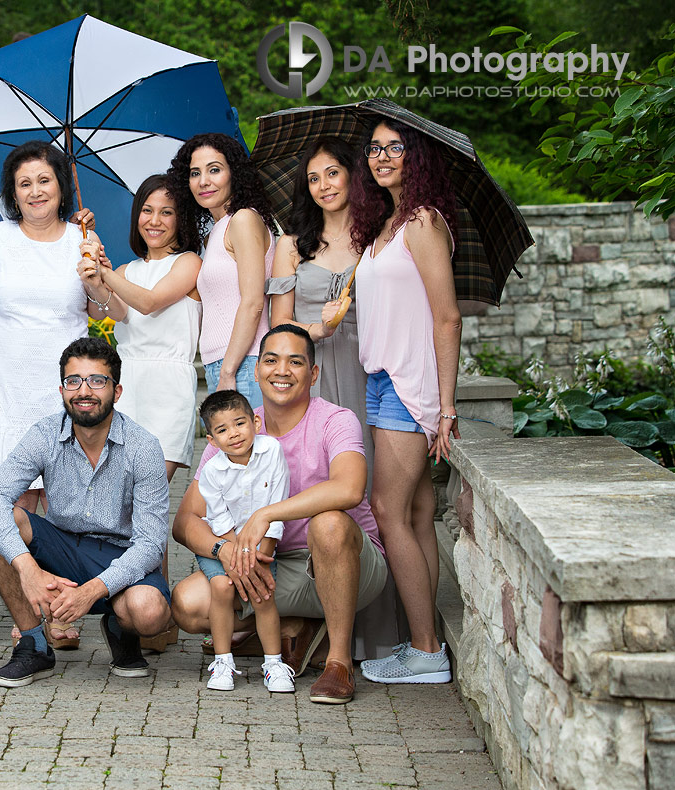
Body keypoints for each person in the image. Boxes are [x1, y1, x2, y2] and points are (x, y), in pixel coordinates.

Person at [171, 325, 387, 704]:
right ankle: (291, 628)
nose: (281, 371)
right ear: (257, 371)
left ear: (313, 373)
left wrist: (266, 514)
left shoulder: (335, 420)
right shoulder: (234, 427)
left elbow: (349, 489)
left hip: (344, 562)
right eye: (270, 360)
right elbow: (186, 521)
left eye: (295, 361)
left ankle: (338, 662)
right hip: (270, 566)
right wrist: (224, 549)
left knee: (330, 523)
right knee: (188, 606)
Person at [269, 136, 405, 662]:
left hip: (367, 372)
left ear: (353, 176)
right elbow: (280, 327)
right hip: (311, 376)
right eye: (313, 178)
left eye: (332, 174)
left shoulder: (378, 239)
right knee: (310, 487)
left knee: (364, 492)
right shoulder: (293, 244)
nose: (323, 186)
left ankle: (371, 636)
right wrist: (316, 328)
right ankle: (301, 620)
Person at [0, 338, 172, 688]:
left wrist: (92, 591)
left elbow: (151, 544)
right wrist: (28, 569)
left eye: (97, 380)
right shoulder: (45, 434)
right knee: (0, 522)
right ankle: (34, 644)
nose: (85, 391)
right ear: (62, 389)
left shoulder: (144, 447)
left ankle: (120, 626)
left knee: (149, 612)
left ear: (117, 389)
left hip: (122, 554)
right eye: (74, 381)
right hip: (63, 549)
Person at [350, 118, 462, 685]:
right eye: (374, 148)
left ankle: (424, 652)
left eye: (394, 147)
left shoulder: (422, 222)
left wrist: (444, 407)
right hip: (382, 379)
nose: (382, 156)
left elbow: (447, 316)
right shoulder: (386, 224)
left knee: (389, 511)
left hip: (408, 384)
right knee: (416, 514)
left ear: (416, 155)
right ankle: (429, 644)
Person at [76, 173, 202, 652]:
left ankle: (158, 610)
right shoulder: (126, 270)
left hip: (168, 386)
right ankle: (153, 612)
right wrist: (95, 270)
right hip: (130, 390)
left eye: (166, 212)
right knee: (131, 509)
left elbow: (149, 304)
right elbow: (110, 313)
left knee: (148, 499)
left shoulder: (189, 263)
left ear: (179, 220)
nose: (155, 220)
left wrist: (105, 271)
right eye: (147, 210)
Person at [0, 140, 108, 512]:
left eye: (44, 180)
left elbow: (102, 312)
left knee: (66, 513)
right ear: (13, 194)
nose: (36, 191)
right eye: (25, 184)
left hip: (64, 393)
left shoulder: (83, 241)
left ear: (61, 187)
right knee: (11, 512)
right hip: (9, 393)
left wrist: (96, 279)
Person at [193, 390, 293, 693]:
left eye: (239, 424)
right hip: (225, 545)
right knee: (221, 588)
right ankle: (223, 662)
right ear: (212, 440)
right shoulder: (212, 472)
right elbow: (219, 520)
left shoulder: (272, 451)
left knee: (262, 594)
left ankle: (273, 664)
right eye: (222, 430)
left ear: (256, 422)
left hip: (263, 547)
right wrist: (239, 556)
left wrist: (258, 556)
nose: (233, 434)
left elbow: (278, 504)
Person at [167, 132, 276, 410]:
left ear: (234, 174)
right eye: (195, 173)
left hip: (245, 364)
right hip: (225, 363)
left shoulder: (243, 219)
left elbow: (252, 303)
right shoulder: (218, 231)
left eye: (214, 170)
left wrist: (228, 371)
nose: (203, 181)